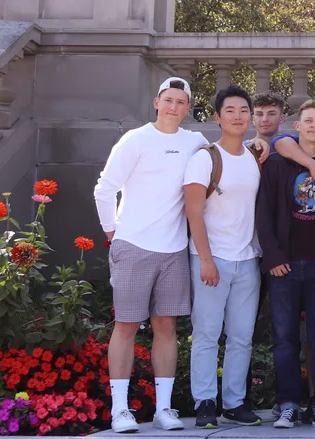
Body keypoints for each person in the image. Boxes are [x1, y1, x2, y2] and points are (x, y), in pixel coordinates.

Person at [94, 78, 267, 433]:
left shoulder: (195, 143)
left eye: (181, 102)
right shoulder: (135, 139)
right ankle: (120, 410)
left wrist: (256, 142)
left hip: (174, 250)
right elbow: (104, 188)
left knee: (166, 327)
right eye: (168, 100)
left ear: (189, 108)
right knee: (126, 326)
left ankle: (165, 408)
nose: (174, 107)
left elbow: (229, 150)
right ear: (157, 102)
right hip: (135, 245)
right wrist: (114, 233)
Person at [254, 100, 315, 430]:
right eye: (307, 121)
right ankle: (288, 404)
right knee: (285, 339)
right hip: (285, 263)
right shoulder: (278, 164)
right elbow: (263, 214)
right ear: (297, 126)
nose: (312, 126)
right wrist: (273, 256)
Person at [182, 85, 263, 428]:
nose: (238, 116)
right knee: (206, 335)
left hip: (248, 261)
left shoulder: (255, 157)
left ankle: (234, 402)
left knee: (242, 337)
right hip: (212, 259)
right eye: (230, 110)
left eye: (244, 110)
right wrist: (206, 259)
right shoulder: (205, 158)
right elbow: (193, 212)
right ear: (217, 117)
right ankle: (204, 402)